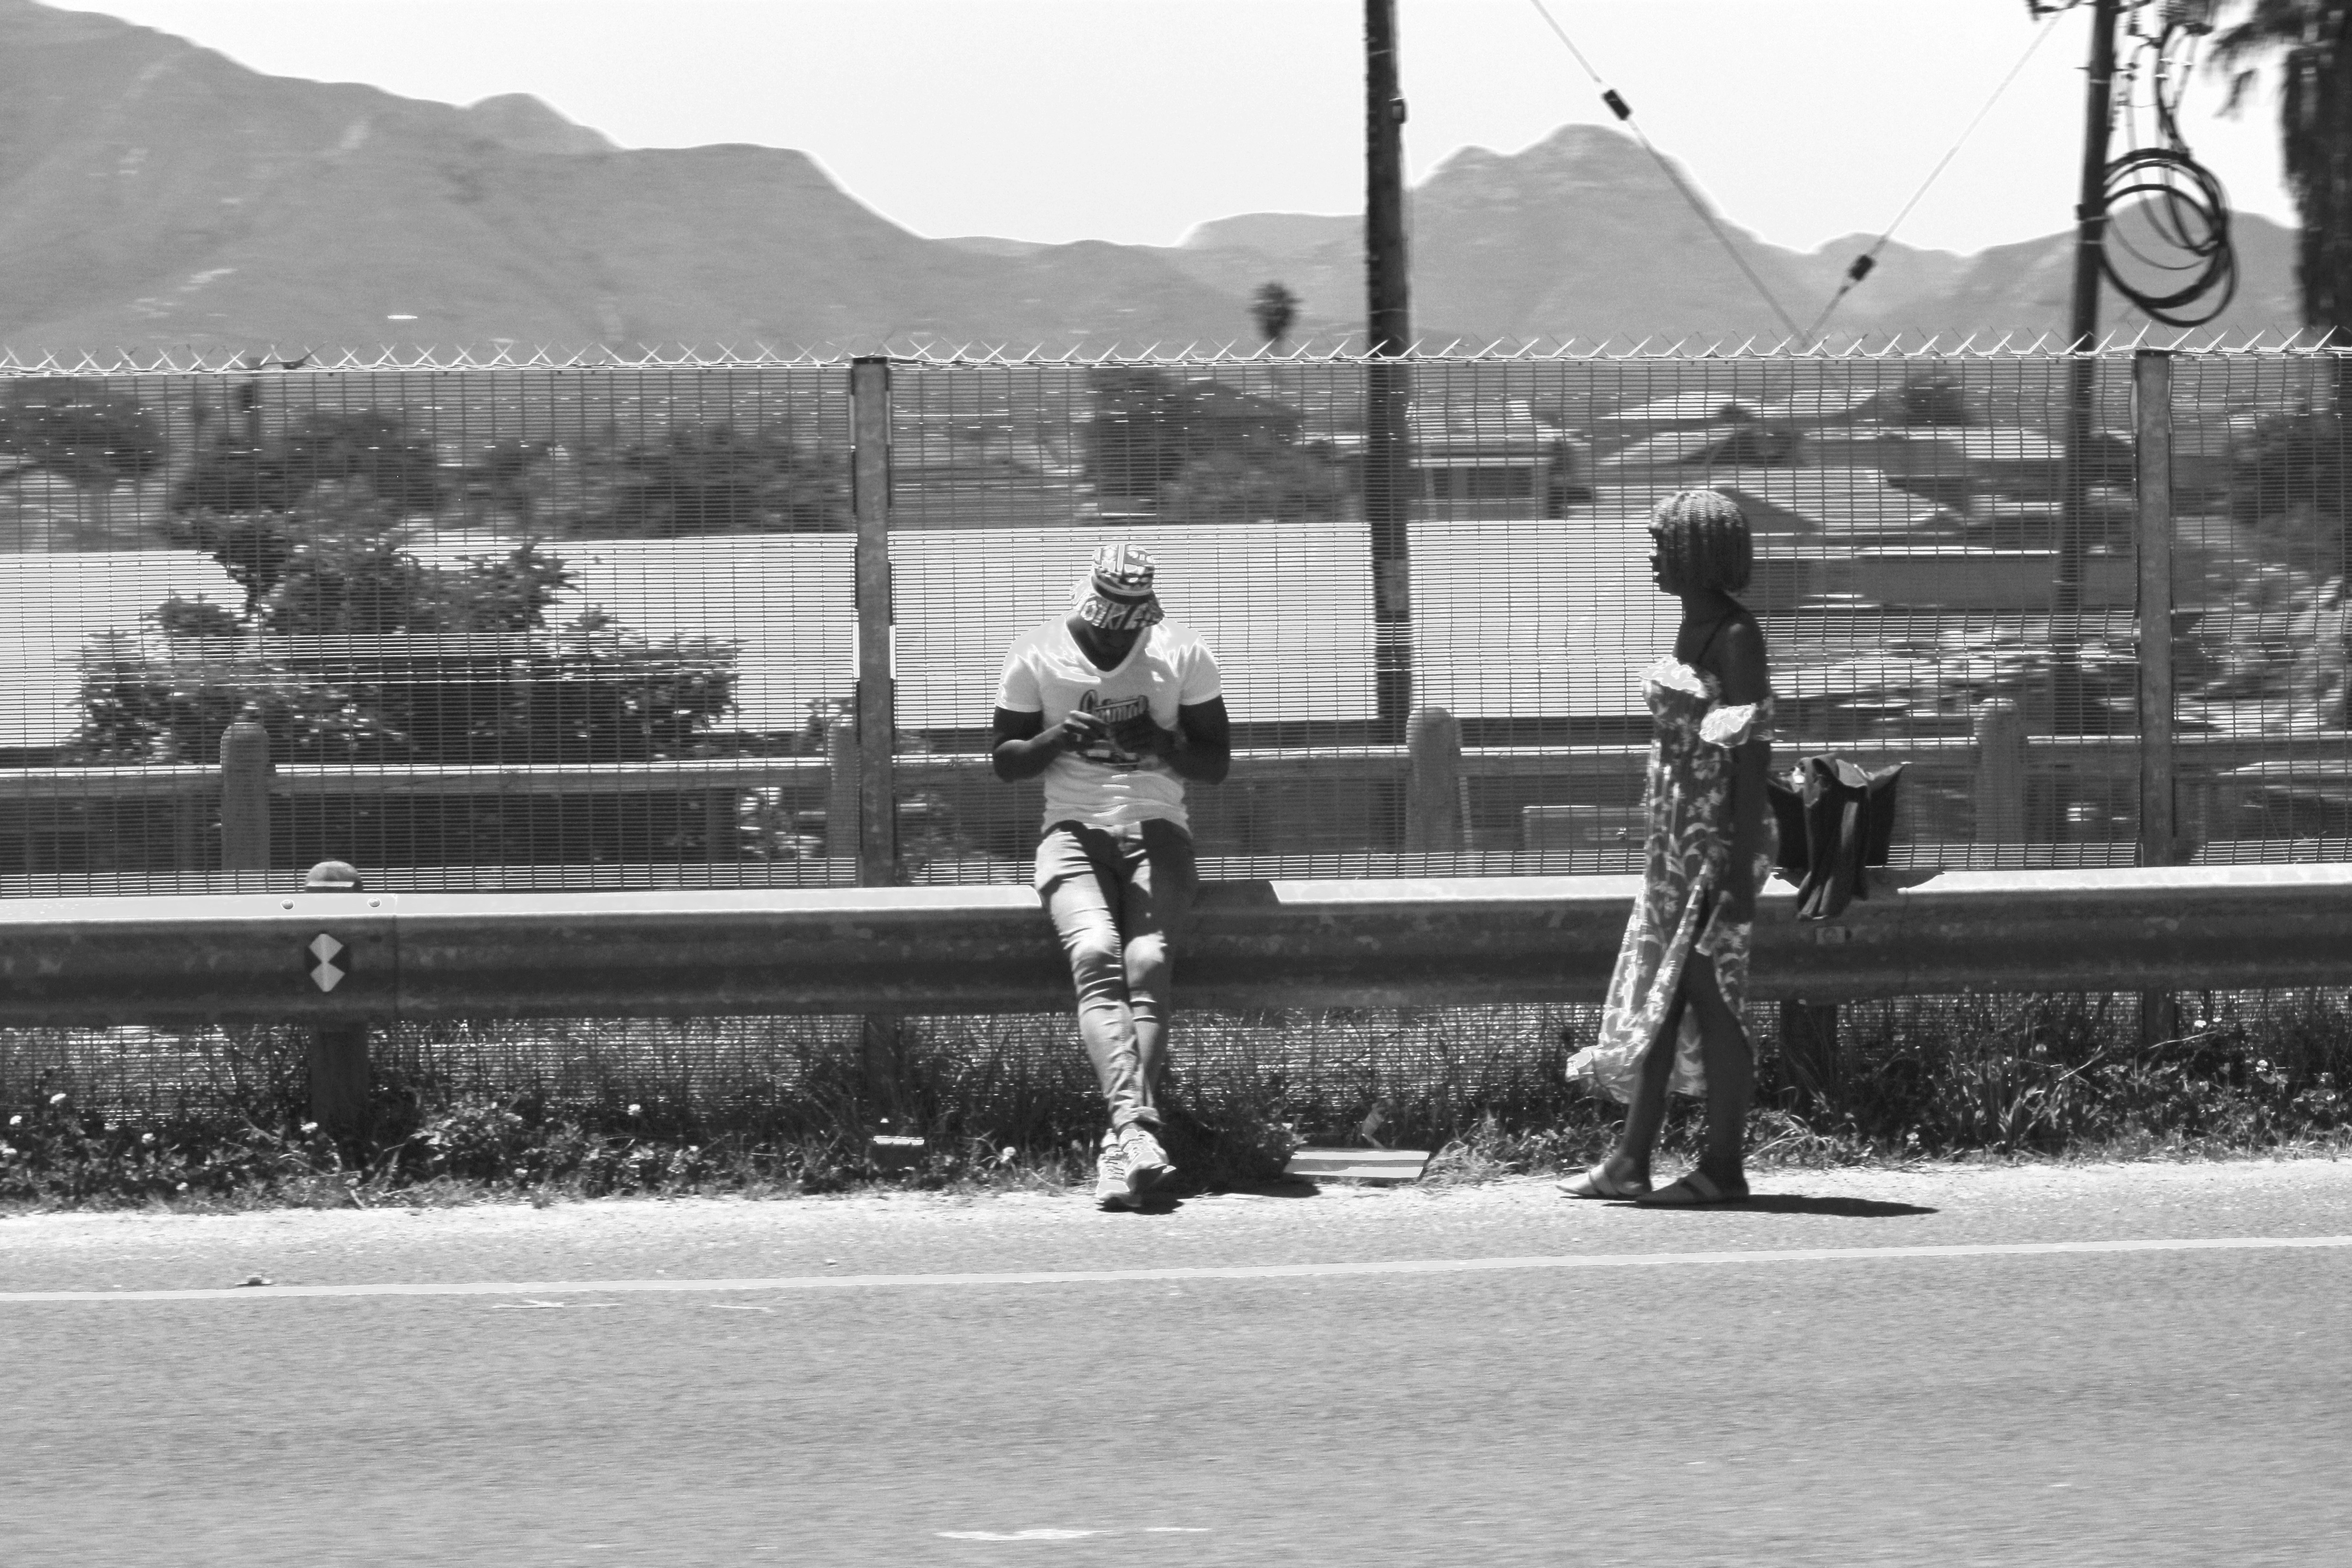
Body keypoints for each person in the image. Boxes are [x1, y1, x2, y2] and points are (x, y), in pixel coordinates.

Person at [992, 543, 1231, 1210]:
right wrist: (1057, 740)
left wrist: (1166, 745)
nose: (1119, 635)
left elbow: (1217, 765)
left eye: (1132, 625)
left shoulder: (1182, 653)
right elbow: (1005, 762)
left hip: (1159, 828)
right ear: (1085, 605)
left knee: (1148, 958)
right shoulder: (1035, 654)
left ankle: (1120, 1141)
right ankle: (1134, 1130)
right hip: (1070, 830)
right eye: (1108, 623)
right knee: (1097, 951)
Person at [1560, 490, 1775, 1205]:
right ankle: (1630, 1160)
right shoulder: (1695, 629)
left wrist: (1740, 867)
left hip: (1717, 843)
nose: (1653, 556)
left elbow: (1751, 757)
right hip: (1676, 847)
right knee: (1661, 996)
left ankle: (1724, 1167)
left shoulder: (1736, 638)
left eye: (1664, 544)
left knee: (1711, 999)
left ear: (1698, 553)